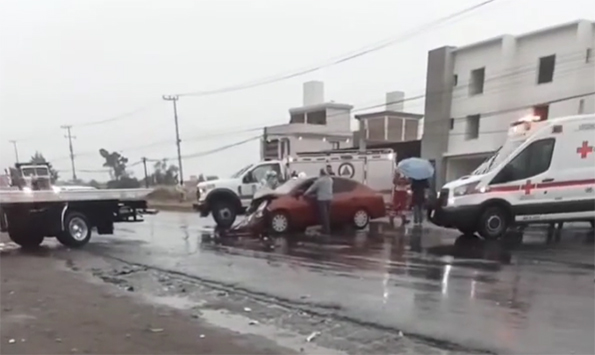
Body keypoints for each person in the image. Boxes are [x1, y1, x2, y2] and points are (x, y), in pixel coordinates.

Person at [304, 168, 333, 235]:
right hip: (329, 198)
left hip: (322, 199)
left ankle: (326, 230)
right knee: (327, 215)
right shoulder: (330, 180)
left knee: (323, 216)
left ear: (321, 173)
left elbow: (312, 188)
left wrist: (305, 194)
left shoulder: (320, 181)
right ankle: (326, 228)